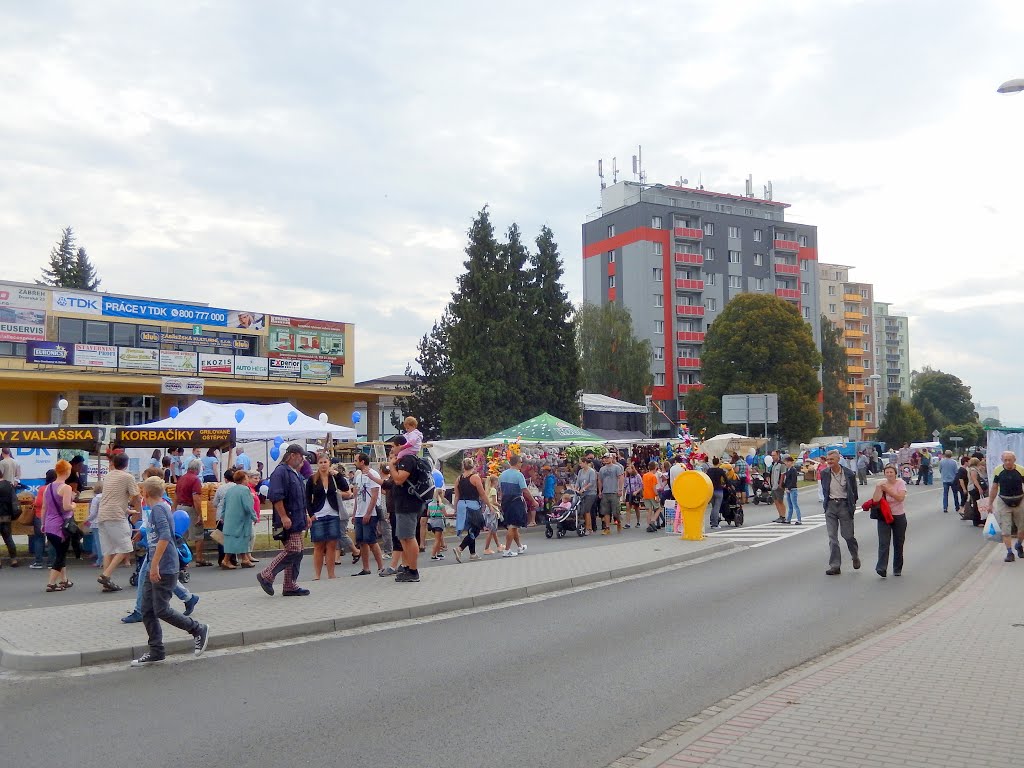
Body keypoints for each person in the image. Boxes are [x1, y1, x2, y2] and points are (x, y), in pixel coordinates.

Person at [131, 477, 210, 666]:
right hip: (156, 564)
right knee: (147, 609)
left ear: (145, 493)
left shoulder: (159, 508)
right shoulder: (160, 507)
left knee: (161, 609)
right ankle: (156, 650)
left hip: (164, 566)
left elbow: (165, 536)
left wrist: (155, 565)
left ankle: (197, 629)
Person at [257, 444, 310, 596]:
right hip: (288, 519)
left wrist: (305, 515)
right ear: (292, 455)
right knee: (293, 550)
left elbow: (300, 498)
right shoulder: (280, 472)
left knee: (298, 552)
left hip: (297, 519)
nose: (303, 459)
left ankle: (289, 585)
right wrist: (284, 516)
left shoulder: (295, 473)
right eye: (301, 456)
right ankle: (266, 575)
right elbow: (276, 497)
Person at [96, 453, 143, 592]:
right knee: (126, 547)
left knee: (108, 550)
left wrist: (127, 510)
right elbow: (136, 496)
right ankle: (105, 575)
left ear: (113, 463)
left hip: (103, 514)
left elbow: (113, 498)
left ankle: (106, 582)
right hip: (116, 516)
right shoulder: (127, 477)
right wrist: (136, 510)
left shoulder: (108, 476)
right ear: (126, 464)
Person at [387, 434, 427, 582]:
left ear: (400, 446)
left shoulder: (408, 459)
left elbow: (399, 479)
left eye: (393, 446)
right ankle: (408, 567)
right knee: (403, 537)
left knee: (409, 537)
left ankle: (413, 571)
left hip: (408, 504)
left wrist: (391, 466)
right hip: (403, 504)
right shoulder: (405, 459)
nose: (392, 449)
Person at [821, 450, 859, 576]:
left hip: (844, 506)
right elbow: (825, 489)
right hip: (831, 506)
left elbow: (854, 492)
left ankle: (855, 555)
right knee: (832, 538)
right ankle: (835, 565)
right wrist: (826, 505)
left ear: (838, 459)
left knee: (848, 536)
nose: (829, 461)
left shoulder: (849, 473)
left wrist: (851, 505)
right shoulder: (825, 473)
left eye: (832, 459)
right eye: (828, 459)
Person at [305, 454, 343, 580]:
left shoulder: (333, 477)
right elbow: (307, 498)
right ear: (317, 464)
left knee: (331, 545)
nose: (323, 465)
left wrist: (338, 475)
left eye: (325, 462)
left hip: (333, 514)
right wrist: (311, 514)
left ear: (329, 463)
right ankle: (317, 575)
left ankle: (331, 574)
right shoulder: (312, 479)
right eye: (320, 462)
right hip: (318, 515)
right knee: (318, 546)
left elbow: (345, 487)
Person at [42, 459, 76, 592]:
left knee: (60, 552)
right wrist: (74, 505)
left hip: (49, 526)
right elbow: (66, 506)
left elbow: (44, 507)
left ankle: (64, 580)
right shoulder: (66, 488)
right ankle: (51, 583)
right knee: (60, 556)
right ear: (67, 472)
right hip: (61, 527)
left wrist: (43, 523)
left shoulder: (48, 488)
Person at [987, 451, 1024, 563]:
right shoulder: (998, 470)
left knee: (1022, 528)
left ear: (1014, 460)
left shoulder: (1021, 470)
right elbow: (994, 488)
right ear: (1002, 460)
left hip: (1019, 500)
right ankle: (1009, 552)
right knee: (1006, 529)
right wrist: (990, 503)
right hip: (1004, 501)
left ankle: (1018, 545)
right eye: (1005, 460)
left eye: (1010, 460)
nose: (1007, 462)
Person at [872, 464, 908, 578]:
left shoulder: (900, 483)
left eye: (891, 472)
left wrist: (887, 490)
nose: (889, 474)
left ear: (895, 473)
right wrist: (878, 488)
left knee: (898, 543)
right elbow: (875, 500)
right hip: (884, 517)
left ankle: (897, 568)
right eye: (887, 472)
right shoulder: (882, 484)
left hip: (898, 516)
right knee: (883, 543)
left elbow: (900, 498)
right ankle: (881, 568)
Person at [352, 452, 384, 576]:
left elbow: (374, 496)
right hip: (359, 512)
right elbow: (357, 497)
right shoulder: (358, 476)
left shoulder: (373, 474)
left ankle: (381, 567)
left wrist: (368, 513)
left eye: (356, 460)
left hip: (370, 512)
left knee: (371, 540)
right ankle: (366, 568)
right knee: (361, 541)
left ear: (362, 462)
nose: (354, 463)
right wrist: (355, 513)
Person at [452, 457, 489, 562]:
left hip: (461, 505)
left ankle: (472, 553)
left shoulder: (458, 479)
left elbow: (457, 495)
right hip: (472, 505)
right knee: (477, 528)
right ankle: (460, 548)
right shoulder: (475, 477)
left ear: (463, 466)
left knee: (471, 529)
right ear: (473, 466)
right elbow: (482, 494)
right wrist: (490, 506)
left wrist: (455, 508)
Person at [174, 459, 210, 566]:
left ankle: (182, 558)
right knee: (198, 534)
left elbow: (176, 496)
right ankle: (199, 558)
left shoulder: (181, 478)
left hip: (180, 507)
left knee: (182, 535)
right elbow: (196, 499)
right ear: (198, 468)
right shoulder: (195, 480)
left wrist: (173, 509)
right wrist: (200, 514)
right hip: (190, 508)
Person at [498, 453, 533, 556]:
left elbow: (500, 490)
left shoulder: (502, 474)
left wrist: (501, 502)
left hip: (505, 501)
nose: (521, 464)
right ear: (517, 463)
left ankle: (520, 546)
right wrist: (533, 501)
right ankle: (507, 550)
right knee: (512, 526)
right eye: (520, 462)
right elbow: (524, 490)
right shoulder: (519, 475)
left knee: (514, 525)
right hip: (516, 501)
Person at [221, 469, 257, 568]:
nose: (248, 480)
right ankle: (226, 560)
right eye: (247, 478)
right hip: (241, 519)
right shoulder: (245, 490)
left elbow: (224, 505)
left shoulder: (230, 490)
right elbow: (248, 506)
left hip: (230, 519)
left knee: (233, 540)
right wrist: (254, 516)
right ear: (243, 479)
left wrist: (222, 516)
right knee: (242, 539)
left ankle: (245, 559)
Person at [28, 469, 57, 569]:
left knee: (39, 539)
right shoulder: (58, 489)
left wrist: (34, 503)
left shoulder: (42, 489)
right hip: (53, 518)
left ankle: (38, 562)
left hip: (40, 516)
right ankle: (51, 563)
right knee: (52, 540)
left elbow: (39, 503)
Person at [597, 453, 624, 535]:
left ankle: (618, 522)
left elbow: (621, 478)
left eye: (607, 458)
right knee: (606, 511)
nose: (606, 459)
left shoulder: (617, 467)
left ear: (611, 458)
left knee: (616, 511)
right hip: (605, 492)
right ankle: (607, 527)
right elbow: (600, 480)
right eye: (604, 458)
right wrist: (600, 491)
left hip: (614, 492)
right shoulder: (602, 469)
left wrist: (620, 489)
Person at [0, 466, 19, 567]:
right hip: (6, 516)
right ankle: (14, 559)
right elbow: (14, 500)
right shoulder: (9, 485)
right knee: (8, 538)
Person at [574, 457, 598, 535]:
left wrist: (584, 488)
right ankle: (586, 526)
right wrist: (576, 488)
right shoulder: (580, 471)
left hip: (591, 493)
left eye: (581, 463)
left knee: (587, 510)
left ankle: (589, 528)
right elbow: (578, 481)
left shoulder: (591, 471)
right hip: (582, 494)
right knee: (582, 510)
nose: (580, 464)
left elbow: (591, 482)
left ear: (585, 462)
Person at [481, 474, 503, 555]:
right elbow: (494, 502)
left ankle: (498, 545)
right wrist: (501, 505)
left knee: (493, 530)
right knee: (491, 530)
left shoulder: (488, 489)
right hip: (493, 510)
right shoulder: (493, 490)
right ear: (494, 482)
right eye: (497, 481)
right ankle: (486, 548)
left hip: (488, 509)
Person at [705, 457, 727, 530]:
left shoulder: (709, 470)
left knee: (713, 507)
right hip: (718, 490)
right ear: (718, 462)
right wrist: (728, 485)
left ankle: (712, 521)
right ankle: (715, 524)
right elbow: (726, 479)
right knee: (717, 508)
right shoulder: (720, 470)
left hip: (711, 490)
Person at [427, 489, 446, 561]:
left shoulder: (430, 504)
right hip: (438, 522)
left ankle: (438, 553)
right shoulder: (441, 505)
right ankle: (433, 555)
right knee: (437, 540)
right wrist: (454, 514)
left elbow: (428, 514)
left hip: (431, 522)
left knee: (439, 538)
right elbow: (446, 514)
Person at [768, 450, 786, 524]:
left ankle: (783, 516)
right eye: (772, 455)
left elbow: (782, 474)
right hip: (773, 486)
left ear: (778, 455)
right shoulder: (773, 464)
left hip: (778, 486)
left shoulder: (781, 464)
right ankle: (780, 515)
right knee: (775, 501)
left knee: (780, 501)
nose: (772, 457)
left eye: (774, 455)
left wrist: (780, 484)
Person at [623, 463, 643, 528]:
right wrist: (623, 496)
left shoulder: (637, 476)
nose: (628, 470)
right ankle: (628, 523)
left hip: (635, 494)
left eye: (629, 468)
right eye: (627, 469)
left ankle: (638, 522)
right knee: (628, 508)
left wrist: (637, 491)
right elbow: (625, 487)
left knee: (636, 508)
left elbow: (641, 485)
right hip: (629, 493)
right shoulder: (627, 477)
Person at [783, 455, 802, 524]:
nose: (786, 463)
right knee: (790, 505)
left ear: (791, 462)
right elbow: (787, 480)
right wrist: (785, 486)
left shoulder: (793, 470)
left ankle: (799, 519)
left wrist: (789, 488)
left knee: (795, 505)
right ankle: (788, 519)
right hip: (788, 489)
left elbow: (794, 480)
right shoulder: (787, 470)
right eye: (786, 462)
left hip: (793, 489)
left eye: (788, 462)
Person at [642, 461, 659, 533]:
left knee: (649, 510)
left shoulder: (645, 475)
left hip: (646, 494)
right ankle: (652, 521)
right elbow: (654, 487)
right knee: (658, 508)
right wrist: (657, 495)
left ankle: (648, 525)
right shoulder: (653, 476)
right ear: (655, 468)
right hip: (652, 494)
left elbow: (643, 486)